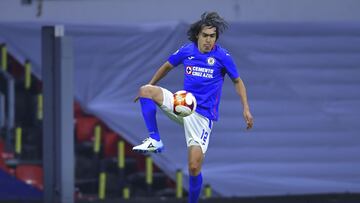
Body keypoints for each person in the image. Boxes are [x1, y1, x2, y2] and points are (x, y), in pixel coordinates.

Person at [132, 11, 254, 203]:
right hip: (182, 104)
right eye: (205, 35)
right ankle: (155, 139)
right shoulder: (187, 51)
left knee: (194, 167)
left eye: (212, 36)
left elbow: (238, 81)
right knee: (145, 91)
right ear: (197, 34)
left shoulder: (222, 56)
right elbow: (166, 66)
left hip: (202, 117)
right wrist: (151, 84)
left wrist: (245, 108)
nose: (208, 40)